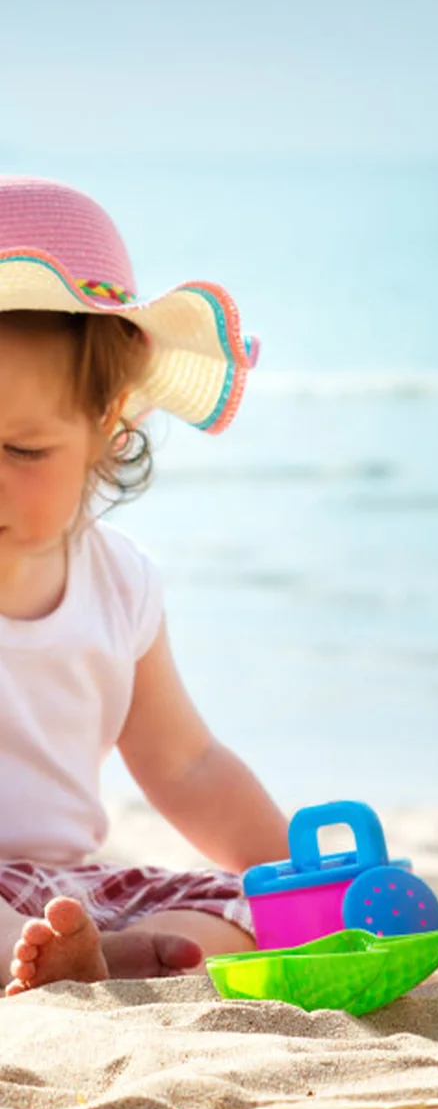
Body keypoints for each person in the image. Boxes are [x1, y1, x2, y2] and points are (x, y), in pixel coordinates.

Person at [0, 176, 287, 993]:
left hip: (68, 888)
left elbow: (186, 763)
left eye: (23, 452)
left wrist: (289, 870)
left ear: (109, 426)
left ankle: (119, 957)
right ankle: (58, 964)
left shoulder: (119, 582)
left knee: (237, 911)